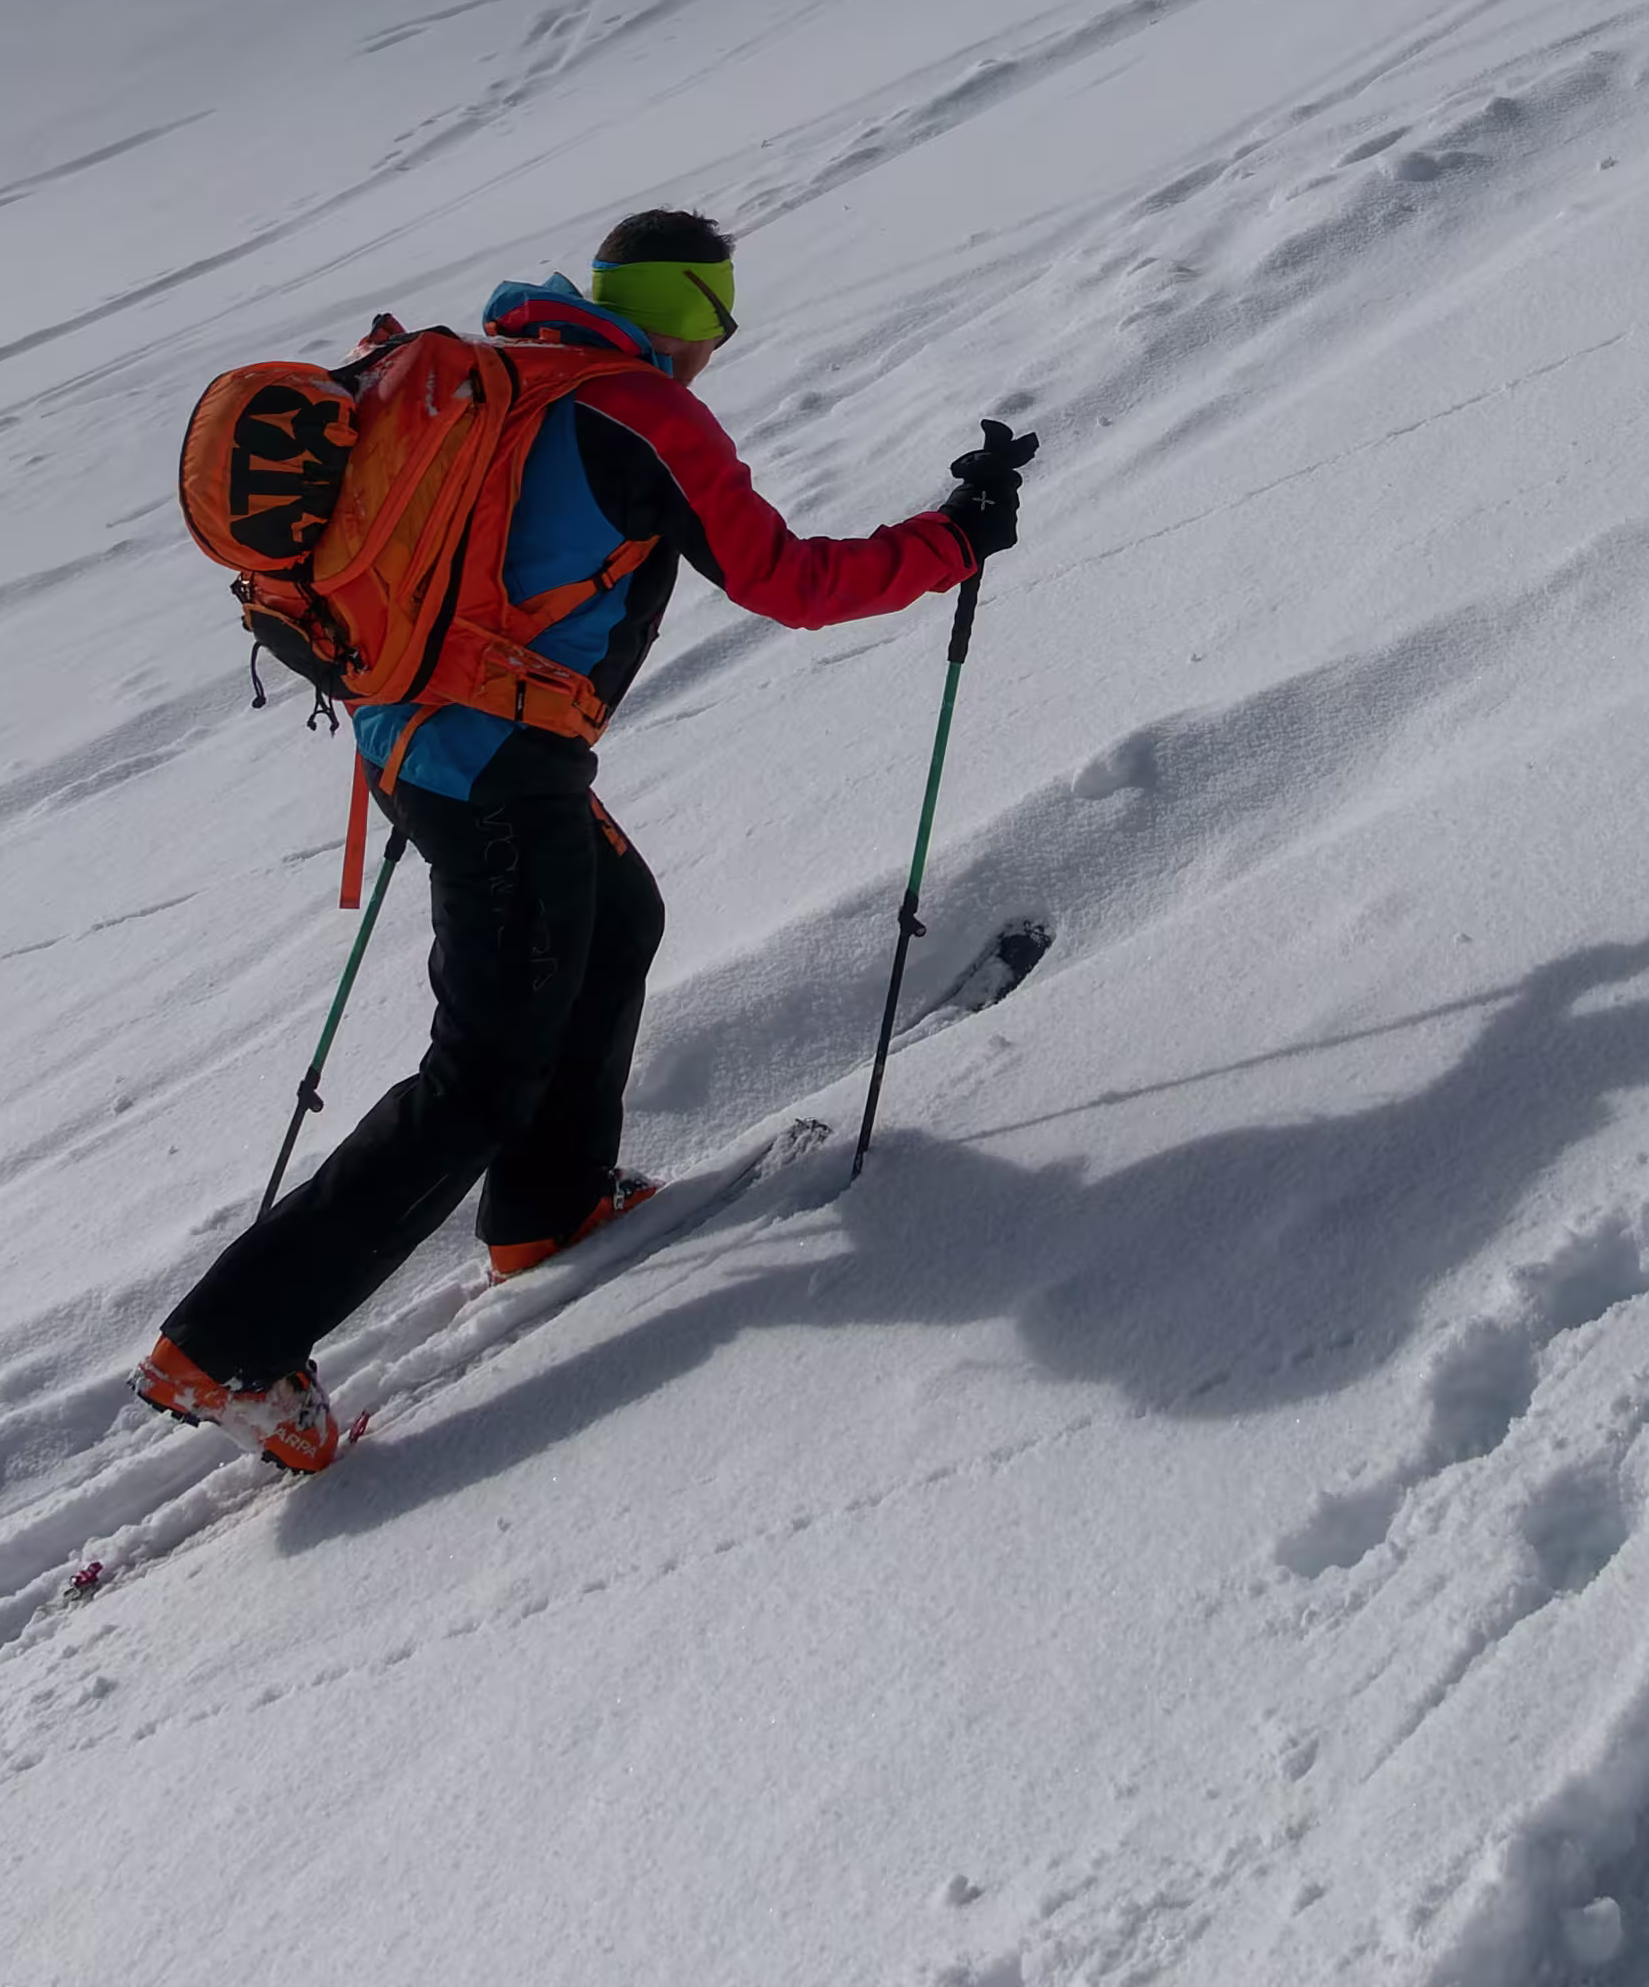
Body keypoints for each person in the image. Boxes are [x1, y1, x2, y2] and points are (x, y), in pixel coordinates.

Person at [135, 208, 1025, 1468]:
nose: (721, 344)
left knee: (617, 917)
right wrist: (956, 540)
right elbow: (791, 582)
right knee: (483, 1073)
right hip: (496, 772)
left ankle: (547, 1214)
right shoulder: (640, 413)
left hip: (426, 750)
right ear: (690, 314)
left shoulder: (493, 368)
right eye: (718, 316)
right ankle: (227, 1348)